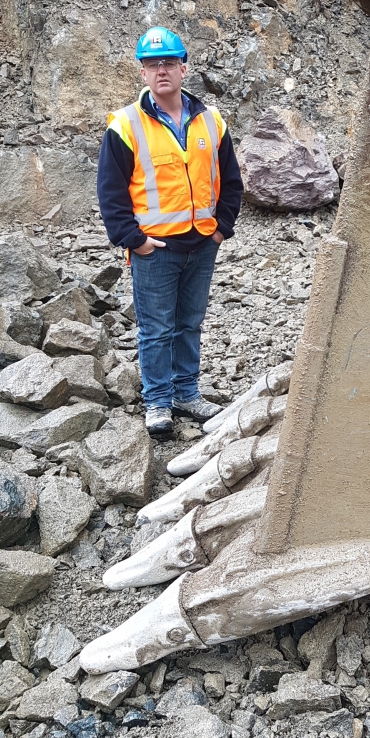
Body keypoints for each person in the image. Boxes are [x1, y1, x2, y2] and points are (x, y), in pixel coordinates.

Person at [97, 26, 243, 439]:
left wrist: (222, 229)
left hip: (203, 243)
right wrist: (135, 240)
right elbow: (110, 193)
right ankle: (159, 400)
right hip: (155, 249)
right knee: (156, 329)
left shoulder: (212, 121)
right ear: (142, 72)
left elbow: (231, 181)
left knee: (190, 323)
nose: (161, 70)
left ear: (184, 68)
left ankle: (186, 392)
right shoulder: (125, 125)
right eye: (152, 64)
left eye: (168, 62)